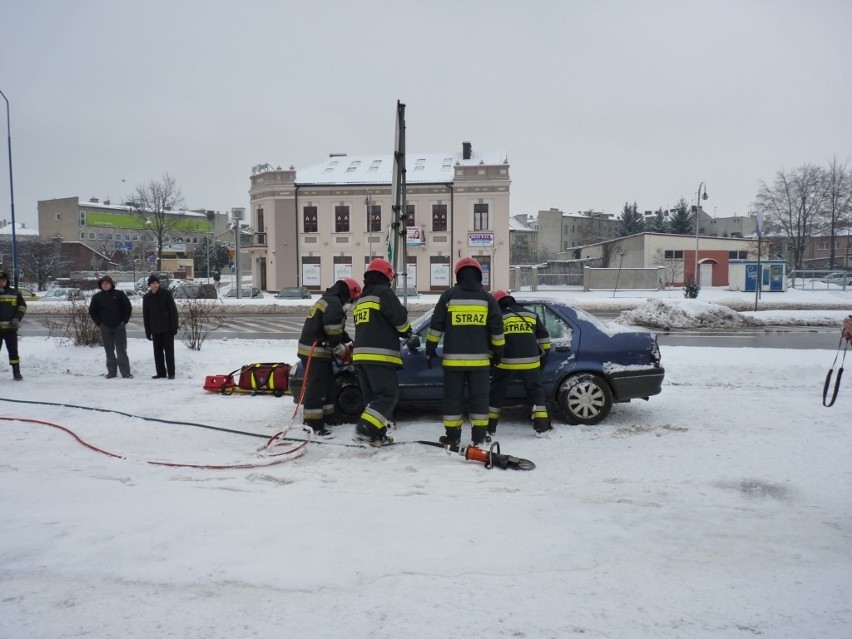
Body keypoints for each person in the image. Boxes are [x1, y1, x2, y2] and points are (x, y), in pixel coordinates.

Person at [426, 257, 504, 446]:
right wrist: (498, 353)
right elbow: (497, 329)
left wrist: (430, 349)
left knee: (453, 399)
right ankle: (479, 437)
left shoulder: (448, 296)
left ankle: (452, 437)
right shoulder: (488, 298)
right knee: (480, 400)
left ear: (458, 275)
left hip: (453, 364)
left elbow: (436, 325)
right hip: (480, 364)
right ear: (479, 275)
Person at [352, 258, 411, 446]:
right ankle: (365, 429)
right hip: (380, 356)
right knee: (387, 395)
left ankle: (376, 435)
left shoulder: (361, 299)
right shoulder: (384, 293)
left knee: (372, 399)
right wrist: (407, 331)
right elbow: (400, 321)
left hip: (360, 357)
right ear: (388, 276)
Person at [297, 278, 362, 437]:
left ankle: (328, 416)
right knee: (316, 387)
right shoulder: (333, 303)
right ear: (349, 294)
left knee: (327, 385)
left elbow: (335, 327)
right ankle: (312, 423)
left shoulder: (329, 300)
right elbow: (333, 329)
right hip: (315, 352)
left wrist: (346, 339)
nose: (350, 303)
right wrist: (339, 348)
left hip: (318, 352)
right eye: (352, 300)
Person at [487, 290, 552, 437]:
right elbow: (544, 339)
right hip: (531, 362)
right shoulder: (531, 315)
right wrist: (543, 360)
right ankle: (541, 428)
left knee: (496, 394)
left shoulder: (498, 318)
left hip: (506, 363)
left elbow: (492, 342)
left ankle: (490, 428)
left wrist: (492, 362)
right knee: (536, 393)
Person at [88, 275, 133, 379]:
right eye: (103, 283)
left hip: (119, 326)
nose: (105, 285)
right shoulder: (97, 297)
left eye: (107, 283)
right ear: (100, 285)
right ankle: (111, 372)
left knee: (121, 350)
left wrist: (124, 321)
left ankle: (126, 372)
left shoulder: (119, 294)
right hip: (105, 327)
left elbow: (127, 307)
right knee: (109, 350)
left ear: (111, 284)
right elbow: (92, 311)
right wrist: (100, 323)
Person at [142, 274, 179, 379]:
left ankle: (171, 373)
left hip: (167, 328)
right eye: (153, 283)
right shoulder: (147, 298)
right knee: (158, 353)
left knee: (169, 352)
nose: (155, 285)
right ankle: (161, 373)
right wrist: (148, 331)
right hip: (155, 329)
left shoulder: (166, 294)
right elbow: (146, 316)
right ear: (149, 285)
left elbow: (173, 311)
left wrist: (174, 326)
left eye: (156, 283)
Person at [0, 270, 26, 380]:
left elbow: (22, 306)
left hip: (11, 329)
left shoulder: (14, 293)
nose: (1, 282)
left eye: (3, 280)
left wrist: (17, 318)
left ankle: (16, 372)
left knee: (13, 352)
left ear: (7, 281)